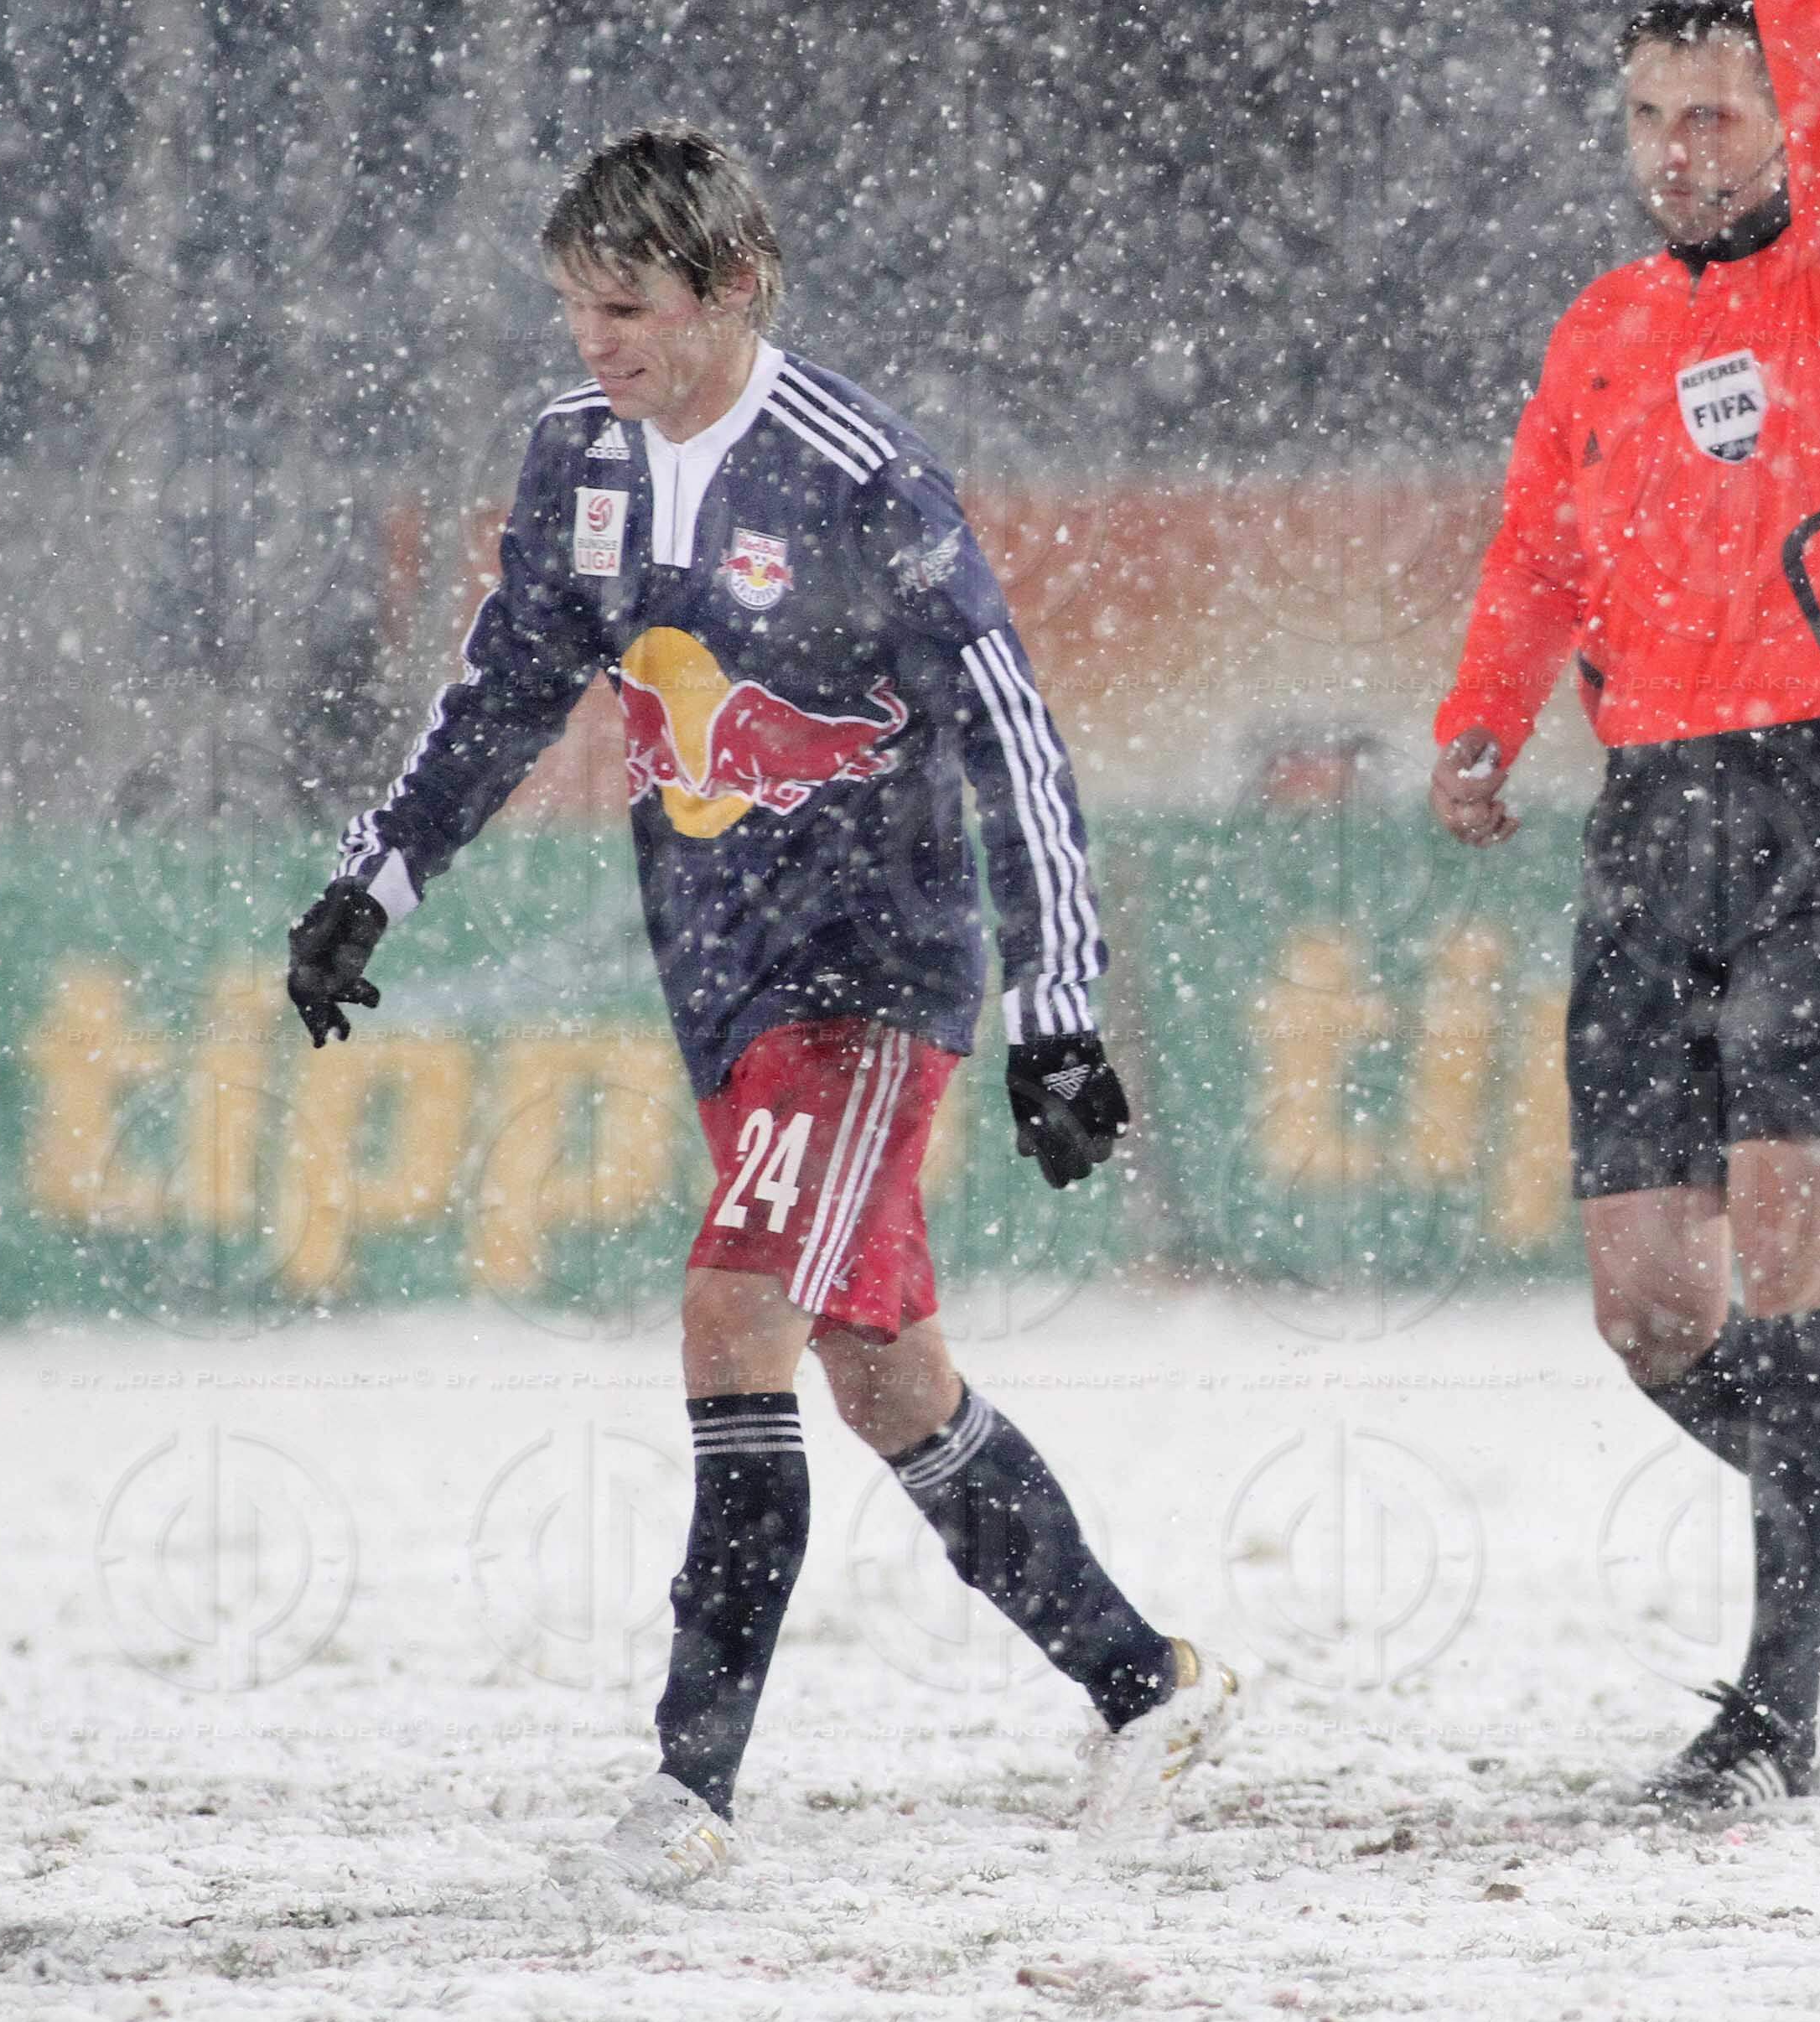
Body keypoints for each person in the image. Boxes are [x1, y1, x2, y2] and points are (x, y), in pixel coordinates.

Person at [287, 126, 1237, 1887]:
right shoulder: (577, 458)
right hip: (720, 978)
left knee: (735, 1315)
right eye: (576, 306)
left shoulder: (858, 479)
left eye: (629, 305)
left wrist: (1058, 1006)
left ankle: (690, 1795)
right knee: (884, 1377)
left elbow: (1011, 731)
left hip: (867, 978)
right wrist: (375, 881)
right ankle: (1143, 1681)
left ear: (731, 289)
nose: (597, 342)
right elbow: (502, 692)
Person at [1430, 0, 1820, 1810]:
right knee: (1650, 1314)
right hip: (1656, 819)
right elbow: (1541, 551)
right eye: (1651, 118)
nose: (1679, 150)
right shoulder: (1595, 332)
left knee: (1786, 1251)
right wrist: (1480, 718)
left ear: (1777, 123)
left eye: (1714, 113)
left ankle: (1768, 1711)